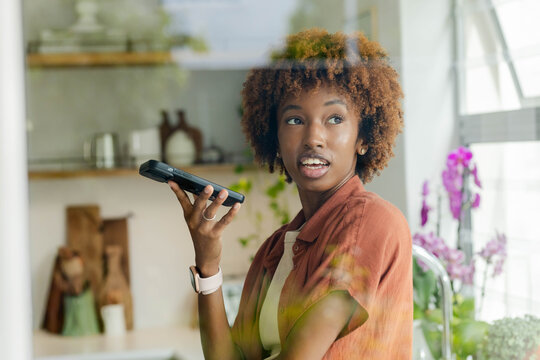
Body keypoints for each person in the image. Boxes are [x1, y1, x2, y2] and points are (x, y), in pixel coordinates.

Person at [169, 28, 412, 360]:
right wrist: (208, 267)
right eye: (295, 119)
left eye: (335, 119)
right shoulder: (275, 250)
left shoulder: (372, 221)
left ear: (364, 138)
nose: (314, 137)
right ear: (276, 139)